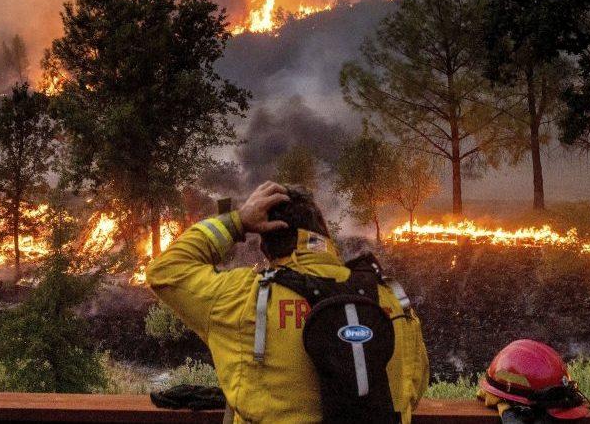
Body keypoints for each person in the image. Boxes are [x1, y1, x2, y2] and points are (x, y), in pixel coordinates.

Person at [147, 181, 428, 423]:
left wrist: (238, 221)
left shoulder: (242, 296)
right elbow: (412, 389)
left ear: (266, 246)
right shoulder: (389, 298)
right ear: (325, 236)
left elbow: (166, 271)